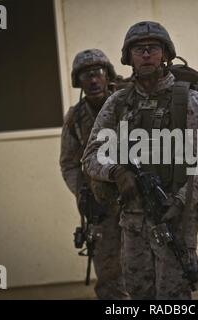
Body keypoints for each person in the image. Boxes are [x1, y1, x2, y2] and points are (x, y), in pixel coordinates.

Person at [82, 22, 198, 299]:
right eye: (139, 49)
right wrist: (117, 173)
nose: (146, 54)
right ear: (129, 57)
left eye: (153, 48)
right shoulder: (117, 104)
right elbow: (91, 156)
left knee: (173, 294)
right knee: (138, 293)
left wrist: (184, 198)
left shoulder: (190, 101)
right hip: (133, 219)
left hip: (176, 216)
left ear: (165, 54)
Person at [59, 48, 128, 300]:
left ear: (107, 75)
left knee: (146, 265)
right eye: (87, 75)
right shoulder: (75, 118)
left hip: (137, 197)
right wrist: (82, 194)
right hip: (101, 204)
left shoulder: (128, 101)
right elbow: (69, 164)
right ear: (79, 81)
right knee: (109, 273)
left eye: (98, 72)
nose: (94, 80)